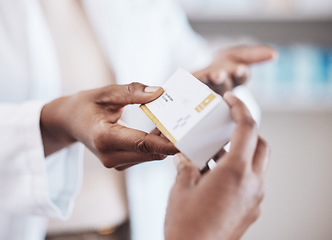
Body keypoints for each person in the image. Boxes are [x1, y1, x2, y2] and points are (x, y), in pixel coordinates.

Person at [0, 0, 275, 239]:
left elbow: (190, 63)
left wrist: (213, 85)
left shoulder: (146, 4)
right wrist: (54, 124)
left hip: (139, 225)